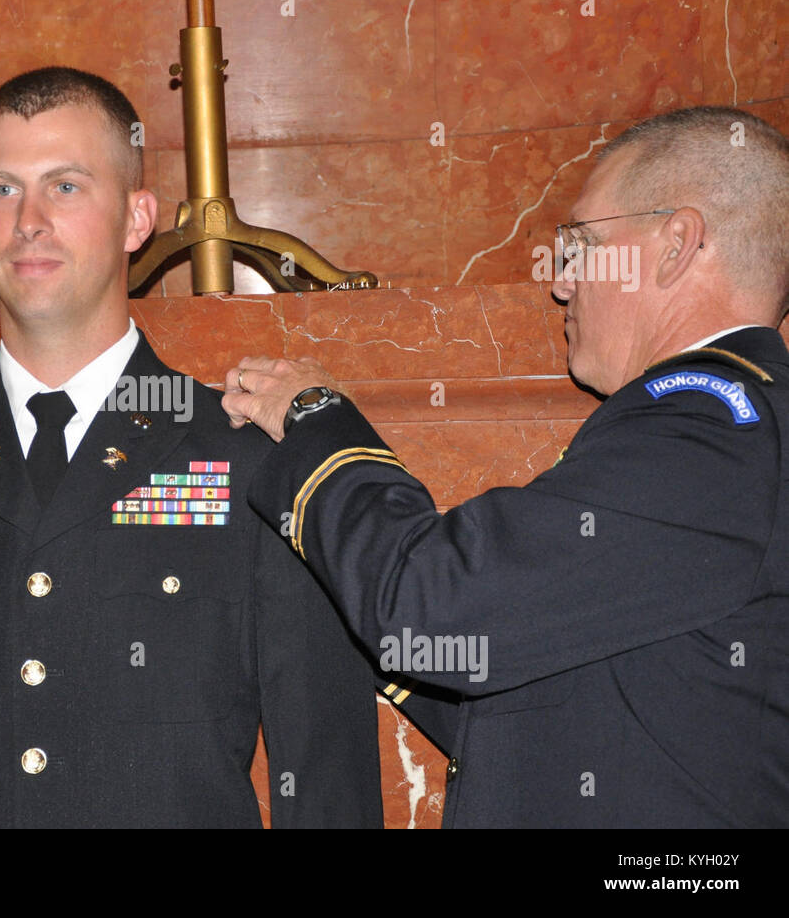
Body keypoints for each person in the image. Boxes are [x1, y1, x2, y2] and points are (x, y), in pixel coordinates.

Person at [0, 67, 392, 828]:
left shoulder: (245, 458)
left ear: (137, 219)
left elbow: (324, 773)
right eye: (3, 189)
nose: (30, 221)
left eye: (67, 186)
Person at [223, 105, 789, 827]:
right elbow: (551, 709)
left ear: (677, 243)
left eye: (580, 243)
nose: (559, 282)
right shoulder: (731, 425)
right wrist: (346, 593)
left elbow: (437, 601)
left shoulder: (714, 429)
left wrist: (315, 420)